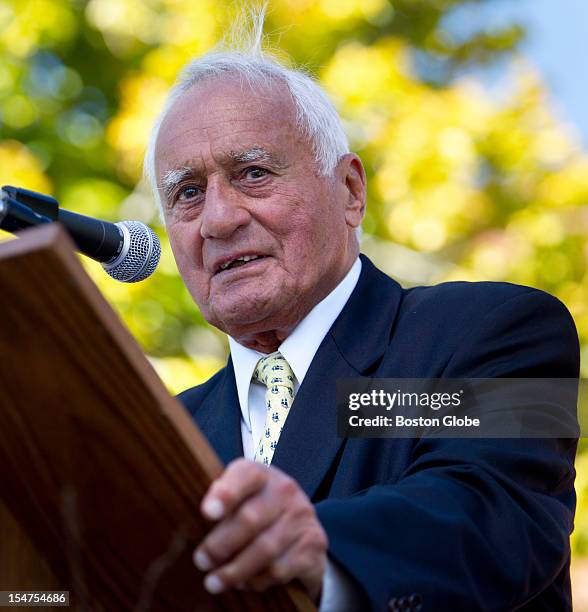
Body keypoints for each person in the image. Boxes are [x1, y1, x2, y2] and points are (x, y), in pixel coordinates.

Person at [144, 9, 580, 611]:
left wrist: (326, 554)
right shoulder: (160, 434)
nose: (219, 219)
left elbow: (490, 512)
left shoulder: (484, 334)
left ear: (350, 191)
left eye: (253, 173)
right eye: (188, 193)